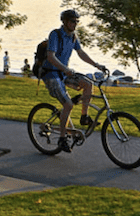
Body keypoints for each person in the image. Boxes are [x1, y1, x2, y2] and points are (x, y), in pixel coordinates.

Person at [40, 9, 107, 153]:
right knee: (68, 104)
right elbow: (51, 56)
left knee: (88, 84)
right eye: (72, 21)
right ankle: (62, 139)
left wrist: (97, 65)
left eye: (77, 22)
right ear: (64, 22)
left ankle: (84, 117)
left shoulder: (73, 37)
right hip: (51, 74)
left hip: (64, 73)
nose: (75, 24)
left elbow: (81, 53)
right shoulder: (55, 34)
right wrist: (65, 68)